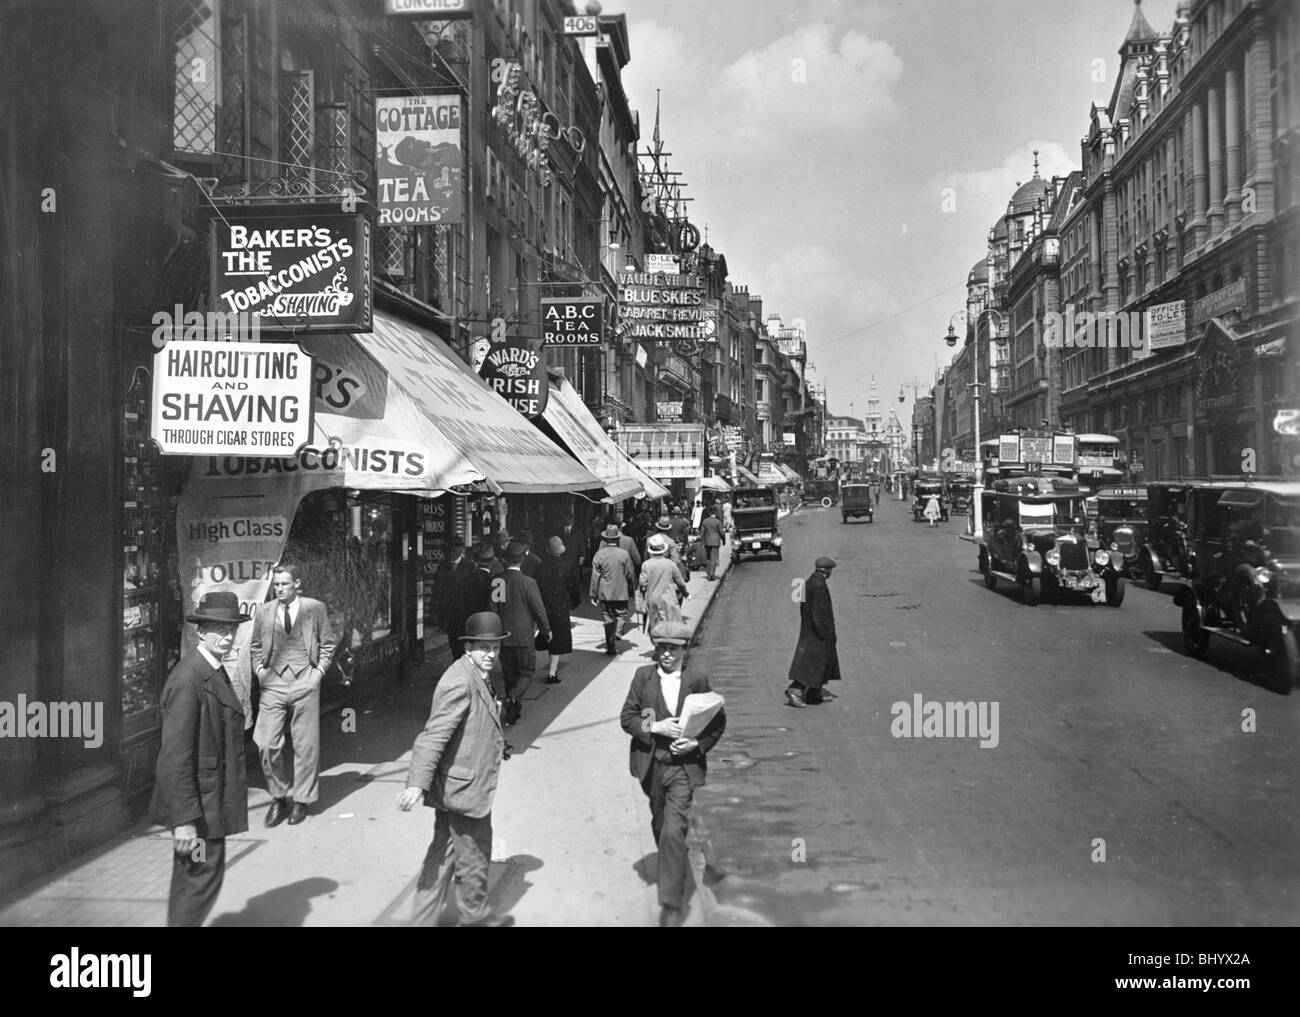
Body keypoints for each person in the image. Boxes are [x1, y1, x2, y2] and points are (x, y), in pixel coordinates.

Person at [397, 612, 513, 928]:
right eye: (483, 648)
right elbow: (433, 735)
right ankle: (474, 918)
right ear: (468, 648)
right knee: (474, 856)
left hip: (459, 783)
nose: (491, 655)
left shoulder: (478, 673)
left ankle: (424, 921)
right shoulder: (460, 681)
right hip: (464, 789)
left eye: (496, 647)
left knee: (441, 858)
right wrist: (415, 784)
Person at [151, 591, 251, 927]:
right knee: (199, 881)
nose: (227, 636)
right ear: (201, 631)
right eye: (218, 629)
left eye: (231, 629)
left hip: (207, 806)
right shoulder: (188, 679)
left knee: (192, 882)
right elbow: (174, 757)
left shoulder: (210, 670)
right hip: (200, 813)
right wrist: (184, 820)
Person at [619, 620, 726, 927]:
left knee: (671, 830)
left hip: (682, 767)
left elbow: (718, 720)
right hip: (651, 765)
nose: (666, 654)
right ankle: (675, 858)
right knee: (659, 824)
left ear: (684, 650)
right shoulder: (643, 677)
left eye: (672, 649)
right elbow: (627, 717)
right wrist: (653, 726)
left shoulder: (697, 679)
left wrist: (696, 743)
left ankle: (671, 901)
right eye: (661, 648)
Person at [250, 563, 336, 826]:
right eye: (276, 585)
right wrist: (261, 672)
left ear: (297, 584)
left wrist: (318, 673)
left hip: (305, 682)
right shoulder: (264, 612)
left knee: (305, 744)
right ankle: (278, 796)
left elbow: (328, 643)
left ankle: (301, 800)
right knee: (266, 742)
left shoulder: (315, 608)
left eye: (285, 584)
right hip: (273, 683)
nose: (279, 589)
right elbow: (255, 646)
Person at [493, 541, 550, 726]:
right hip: (524, 636)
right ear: (523, 560)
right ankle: (512, 698)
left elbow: (493, 608)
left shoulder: (498, 581)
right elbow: (538, 610)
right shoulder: (528, 583)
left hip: (503, 636)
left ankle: (512, 714)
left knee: (509, 674)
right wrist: (546, 630)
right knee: (526, 672)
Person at [785, 556, 841, 708]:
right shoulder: (819, 585)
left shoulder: (809, 582)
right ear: (827, 571)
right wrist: (826, 633)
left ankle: (814, 693)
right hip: (818, 632)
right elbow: (820, 612)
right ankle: (795, 691)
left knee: (820, 664)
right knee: (812, 664)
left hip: (809, 629)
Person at [534, 537, 577, 684]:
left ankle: (551, 669)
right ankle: (552, 672)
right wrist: (573, 602)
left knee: (546, 633)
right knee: (557, 639)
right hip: (560, 607)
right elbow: (572, 586)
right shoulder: (565, 566)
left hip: (543, 605)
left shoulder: (540, 566)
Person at [590, 524, 635, 655]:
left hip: (604, 591)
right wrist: (632, 589)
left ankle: (610, 647)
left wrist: (593, 594)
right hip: (621, 590)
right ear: (617, 539)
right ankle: (617, 632)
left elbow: (595, 576)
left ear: (606, 539)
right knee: (621, 614)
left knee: (607, 617)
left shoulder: (599, 555)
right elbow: (630, 573)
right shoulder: (624, 554)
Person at [639, 534, 688, 634]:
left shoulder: (646, 565)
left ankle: (656, 644)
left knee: (655, 623)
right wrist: (686, 593)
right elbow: (679, 581)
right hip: (668, 597)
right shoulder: (670, 564)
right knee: (669, 623)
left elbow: (642, 583)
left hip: (653, 598)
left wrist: (643, 593)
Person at [699, 507, 725, 581]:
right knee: (714, 558)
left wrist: (702, 542)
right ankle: (711, 575)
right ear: (716, 513)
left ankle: (708, 573)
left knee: (708, 558)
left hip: (707, 541)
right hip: (715, 541)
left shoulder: (705, 521)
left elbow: (702, 532)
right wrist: (724, 540)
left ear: (710, 513)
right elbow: (722, 533)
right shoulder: (717, 521)